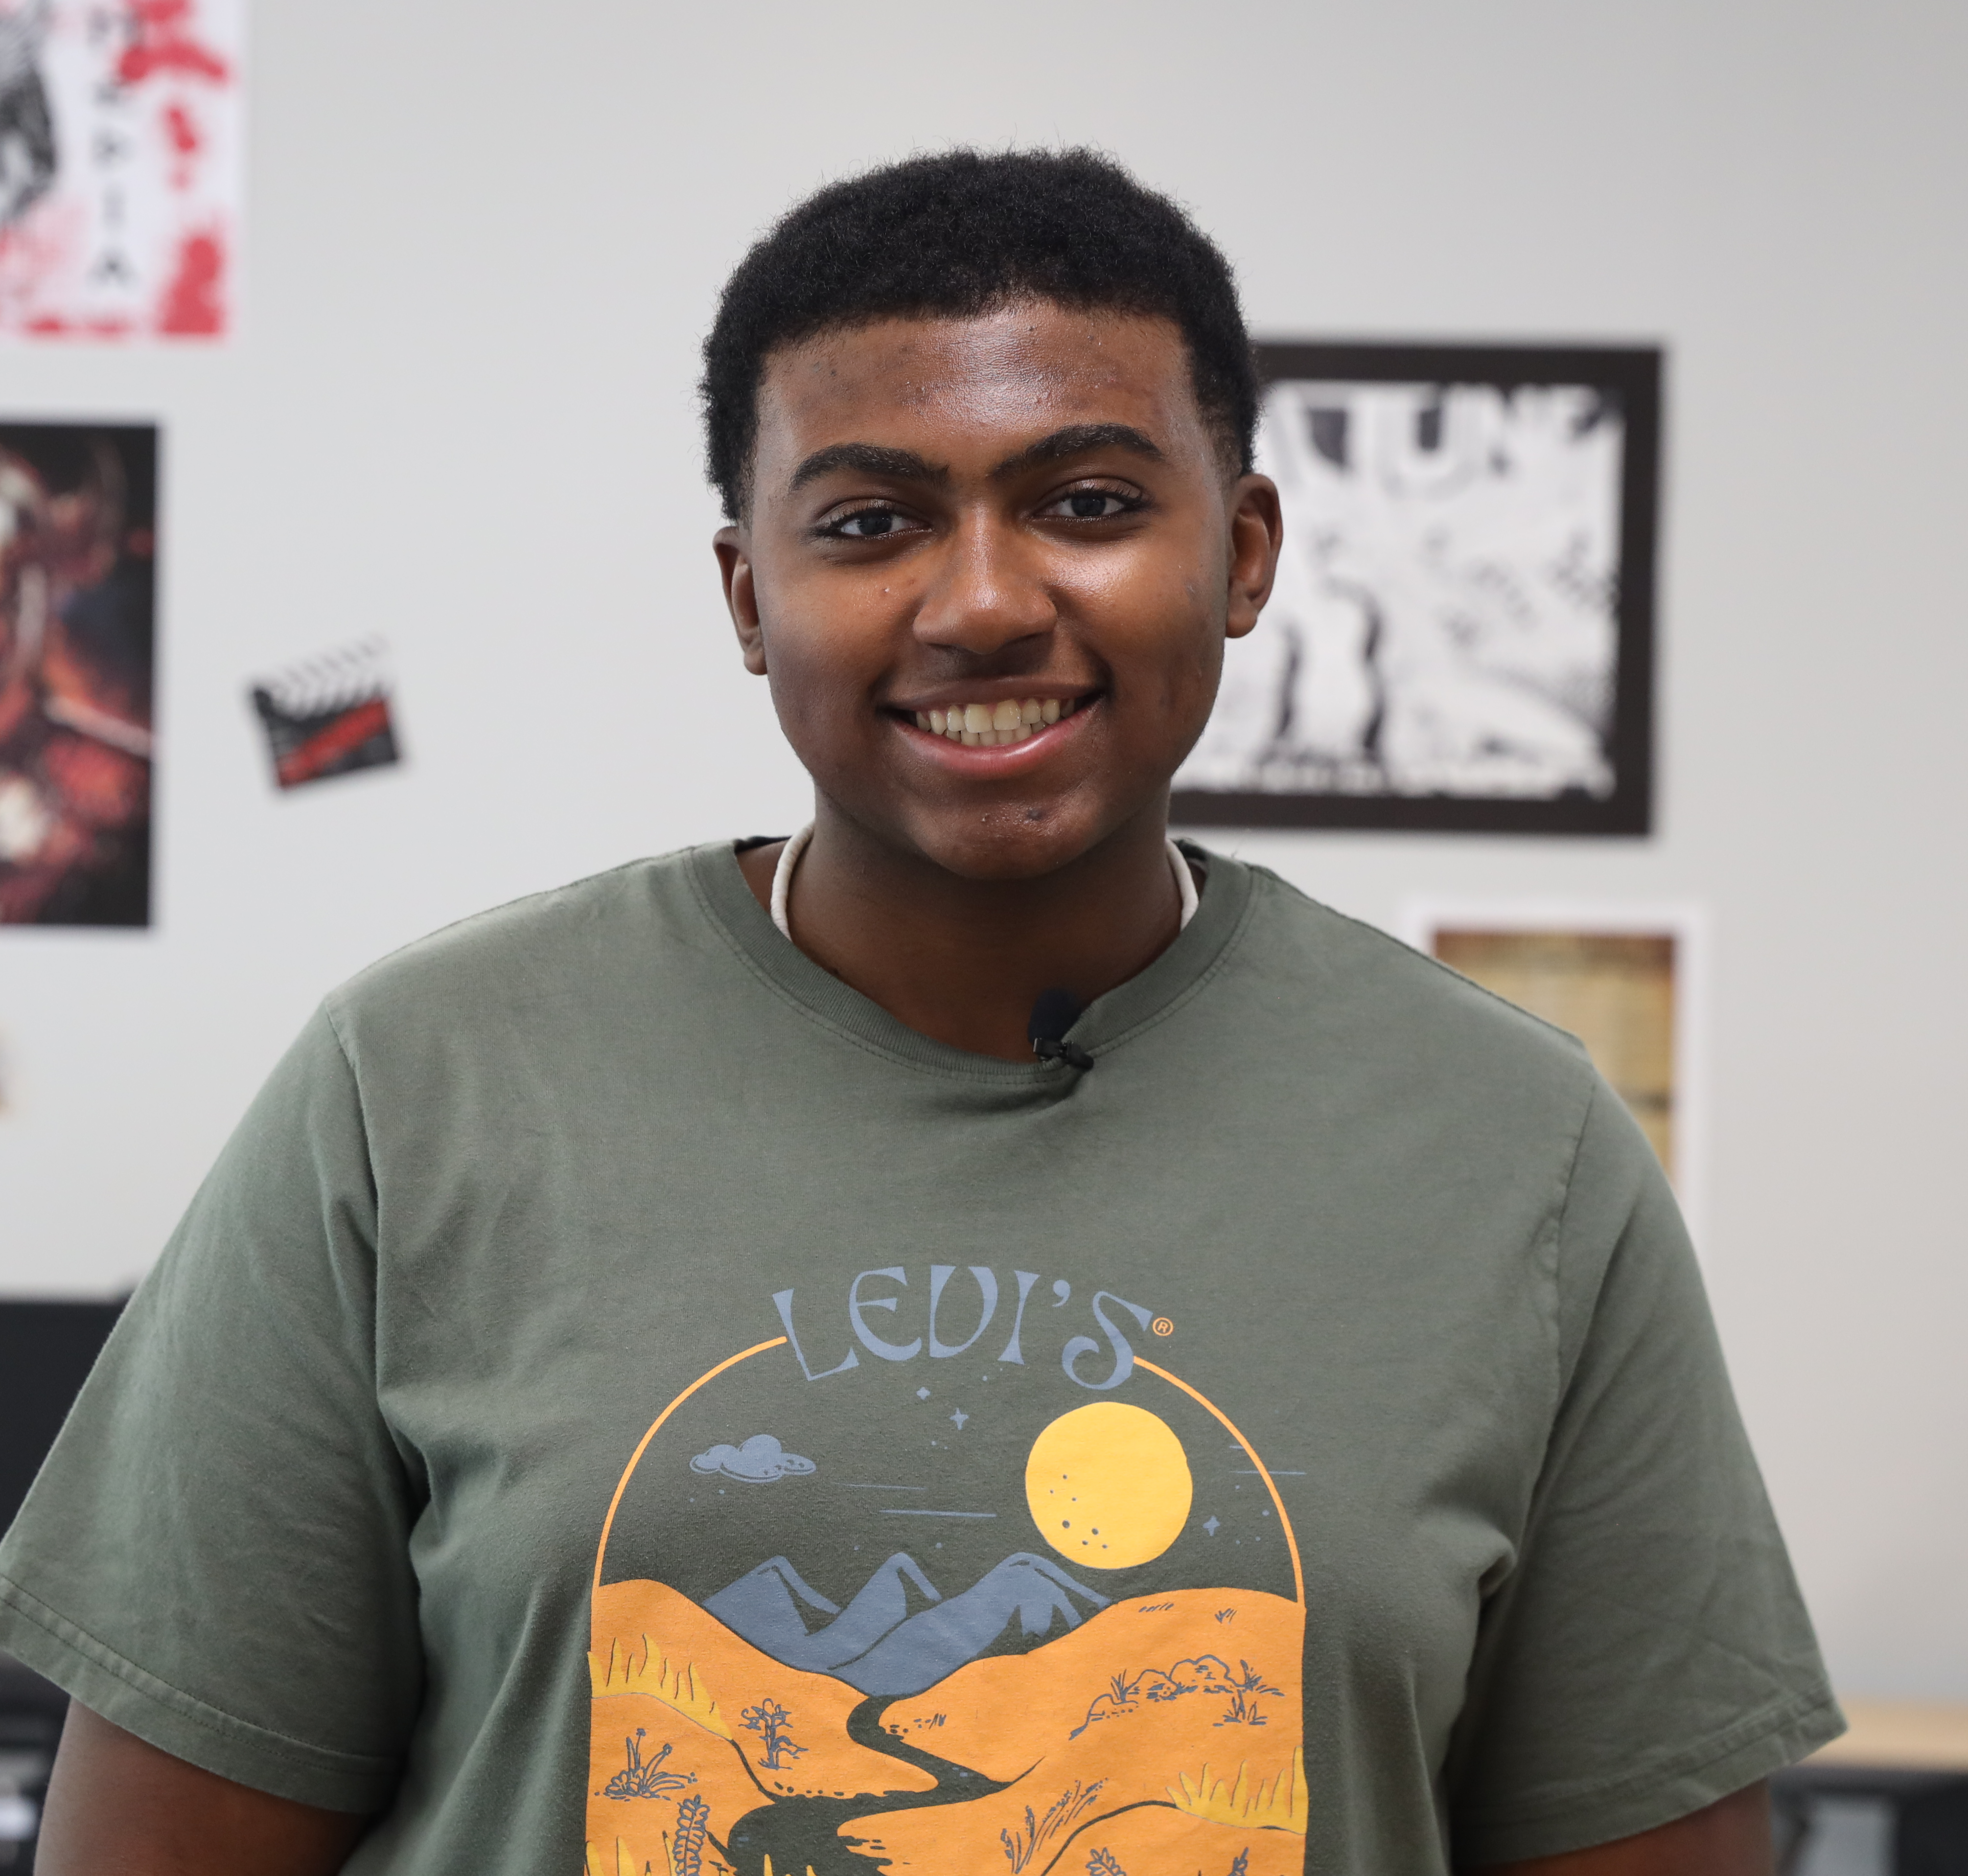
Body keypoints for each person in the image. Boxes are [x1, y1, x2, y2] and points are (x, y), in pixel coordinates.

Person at [0, 149, 1838, 1876]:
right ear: (749, 596)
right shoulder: (414, 1090)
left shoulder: (1513, 1148)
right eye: (871, 520)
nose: (979, 602)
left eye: (1091, 503)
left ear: (1247, 552)